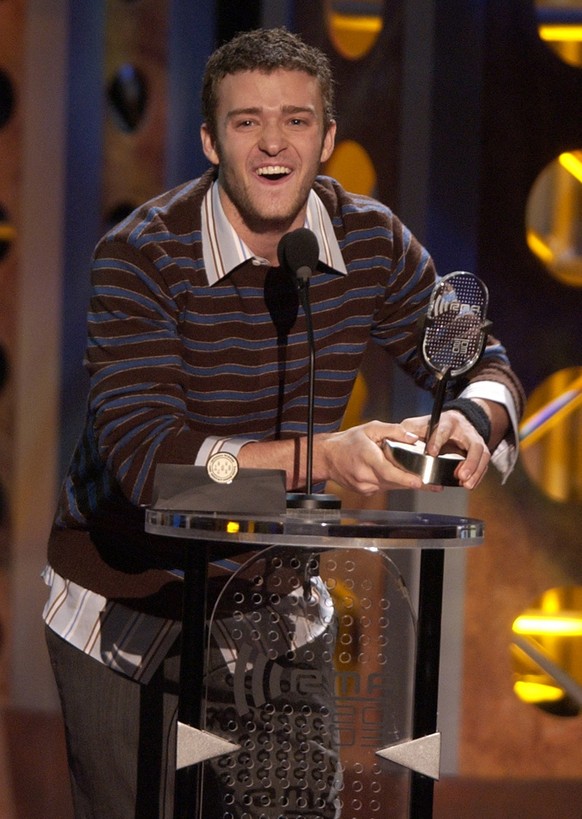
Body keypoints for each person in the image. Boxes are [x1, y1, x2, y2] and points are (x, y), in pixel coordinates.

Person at [43, 26, 524, 819]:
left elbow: (484, 363)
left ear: (328, 137)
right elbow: (152, 466)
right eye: (246, 122)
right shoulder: (140, 256)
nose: (274, 143)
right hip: (128, 605)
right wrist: (324, 458)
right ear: (209, 140)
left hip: (274, 607)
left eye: (297, 120)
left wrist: (474, 420)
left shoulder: (370, 241)